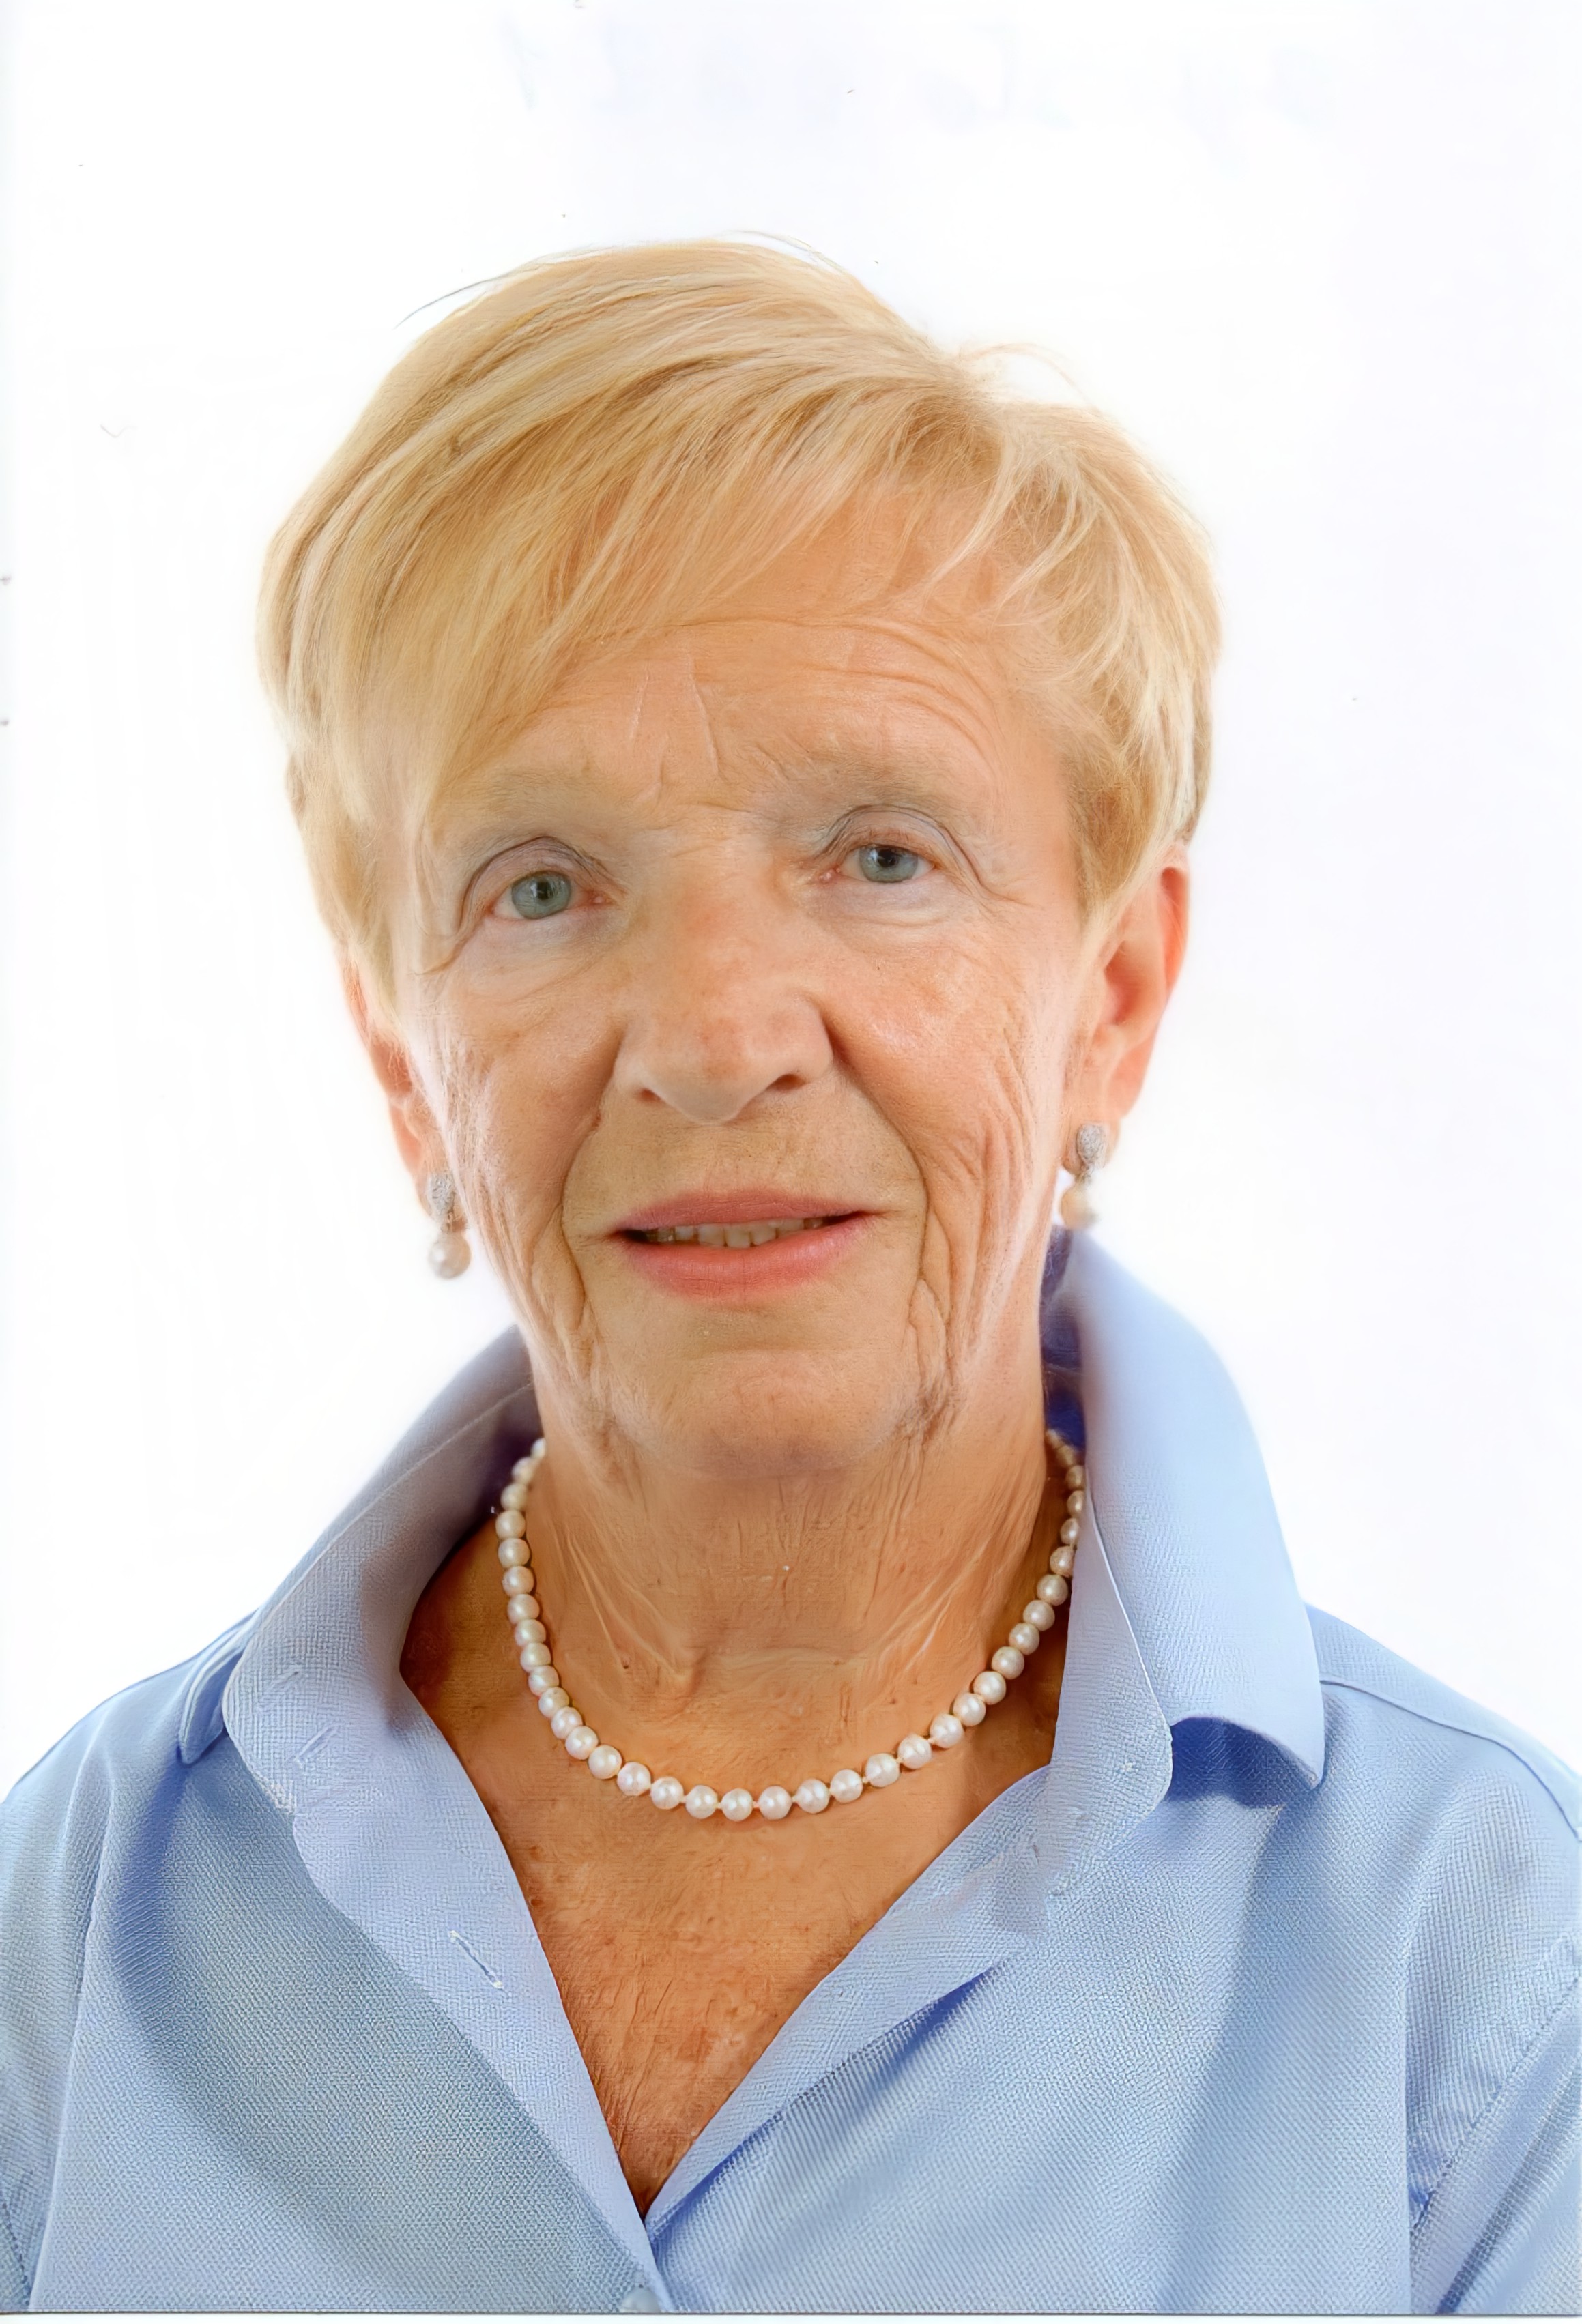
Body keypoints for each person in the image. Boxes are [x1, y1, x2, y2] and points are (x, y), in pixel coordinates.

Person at [1, 242, 1575, 2318]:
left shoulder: (1486, 1964)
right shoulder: (82, 1907)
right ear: (405, 1060)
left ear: (1111, 998)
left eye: (881, 856)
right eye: (542, 886)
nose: (716, 1037)